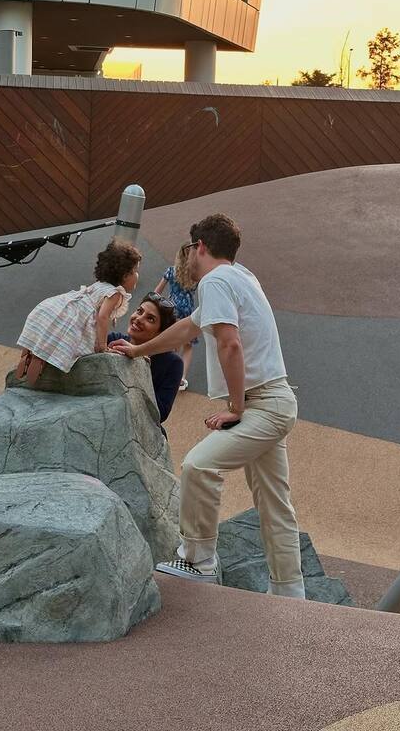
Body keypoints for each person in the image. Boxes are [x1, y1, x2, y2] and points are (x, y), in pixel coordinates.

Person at [110, 213, 305, 599]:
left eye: (191, 249)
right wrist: (139, 349)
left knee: (199, 465)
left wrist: (235, 406)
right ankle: (290, 595)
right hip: (276, 401)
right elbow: (187, 328)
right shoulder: (242, 277)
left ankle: (199, 560)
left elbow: (229, 343)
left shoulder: (214, 281)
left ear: (200, 247)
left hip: (259, 404)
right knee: (275, 505)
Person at [15, 239, 141, 386]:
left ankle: (31, 354)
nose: (137, 275)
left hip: (63, 306)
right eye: (135, 271)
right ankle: (39, 363)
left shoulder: (100, 285)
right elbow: (102, 316)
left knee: (50, 334)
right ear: (125, 275)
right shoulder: (115, 294)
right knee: (64, 341)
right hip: (78, 318)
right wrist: (102, 346)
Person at [108, 292, 183, 427]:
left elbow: (160, 413)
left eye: (150, 319)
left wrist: (139, 364)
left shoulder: (172, 364)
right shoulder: (113, 340)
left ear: (161, 333)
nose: (138, 319)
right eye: (139, 311)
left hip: (138, 430)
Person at [154, 248, 199, 392]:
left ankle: (167, 372)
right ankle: (181, 378)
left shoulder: (171, 271)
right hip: (188, 310)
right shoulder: (195, 275)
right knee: (188, 345)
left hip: (172, 308)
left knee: (172, 341)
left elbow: (157, 292)